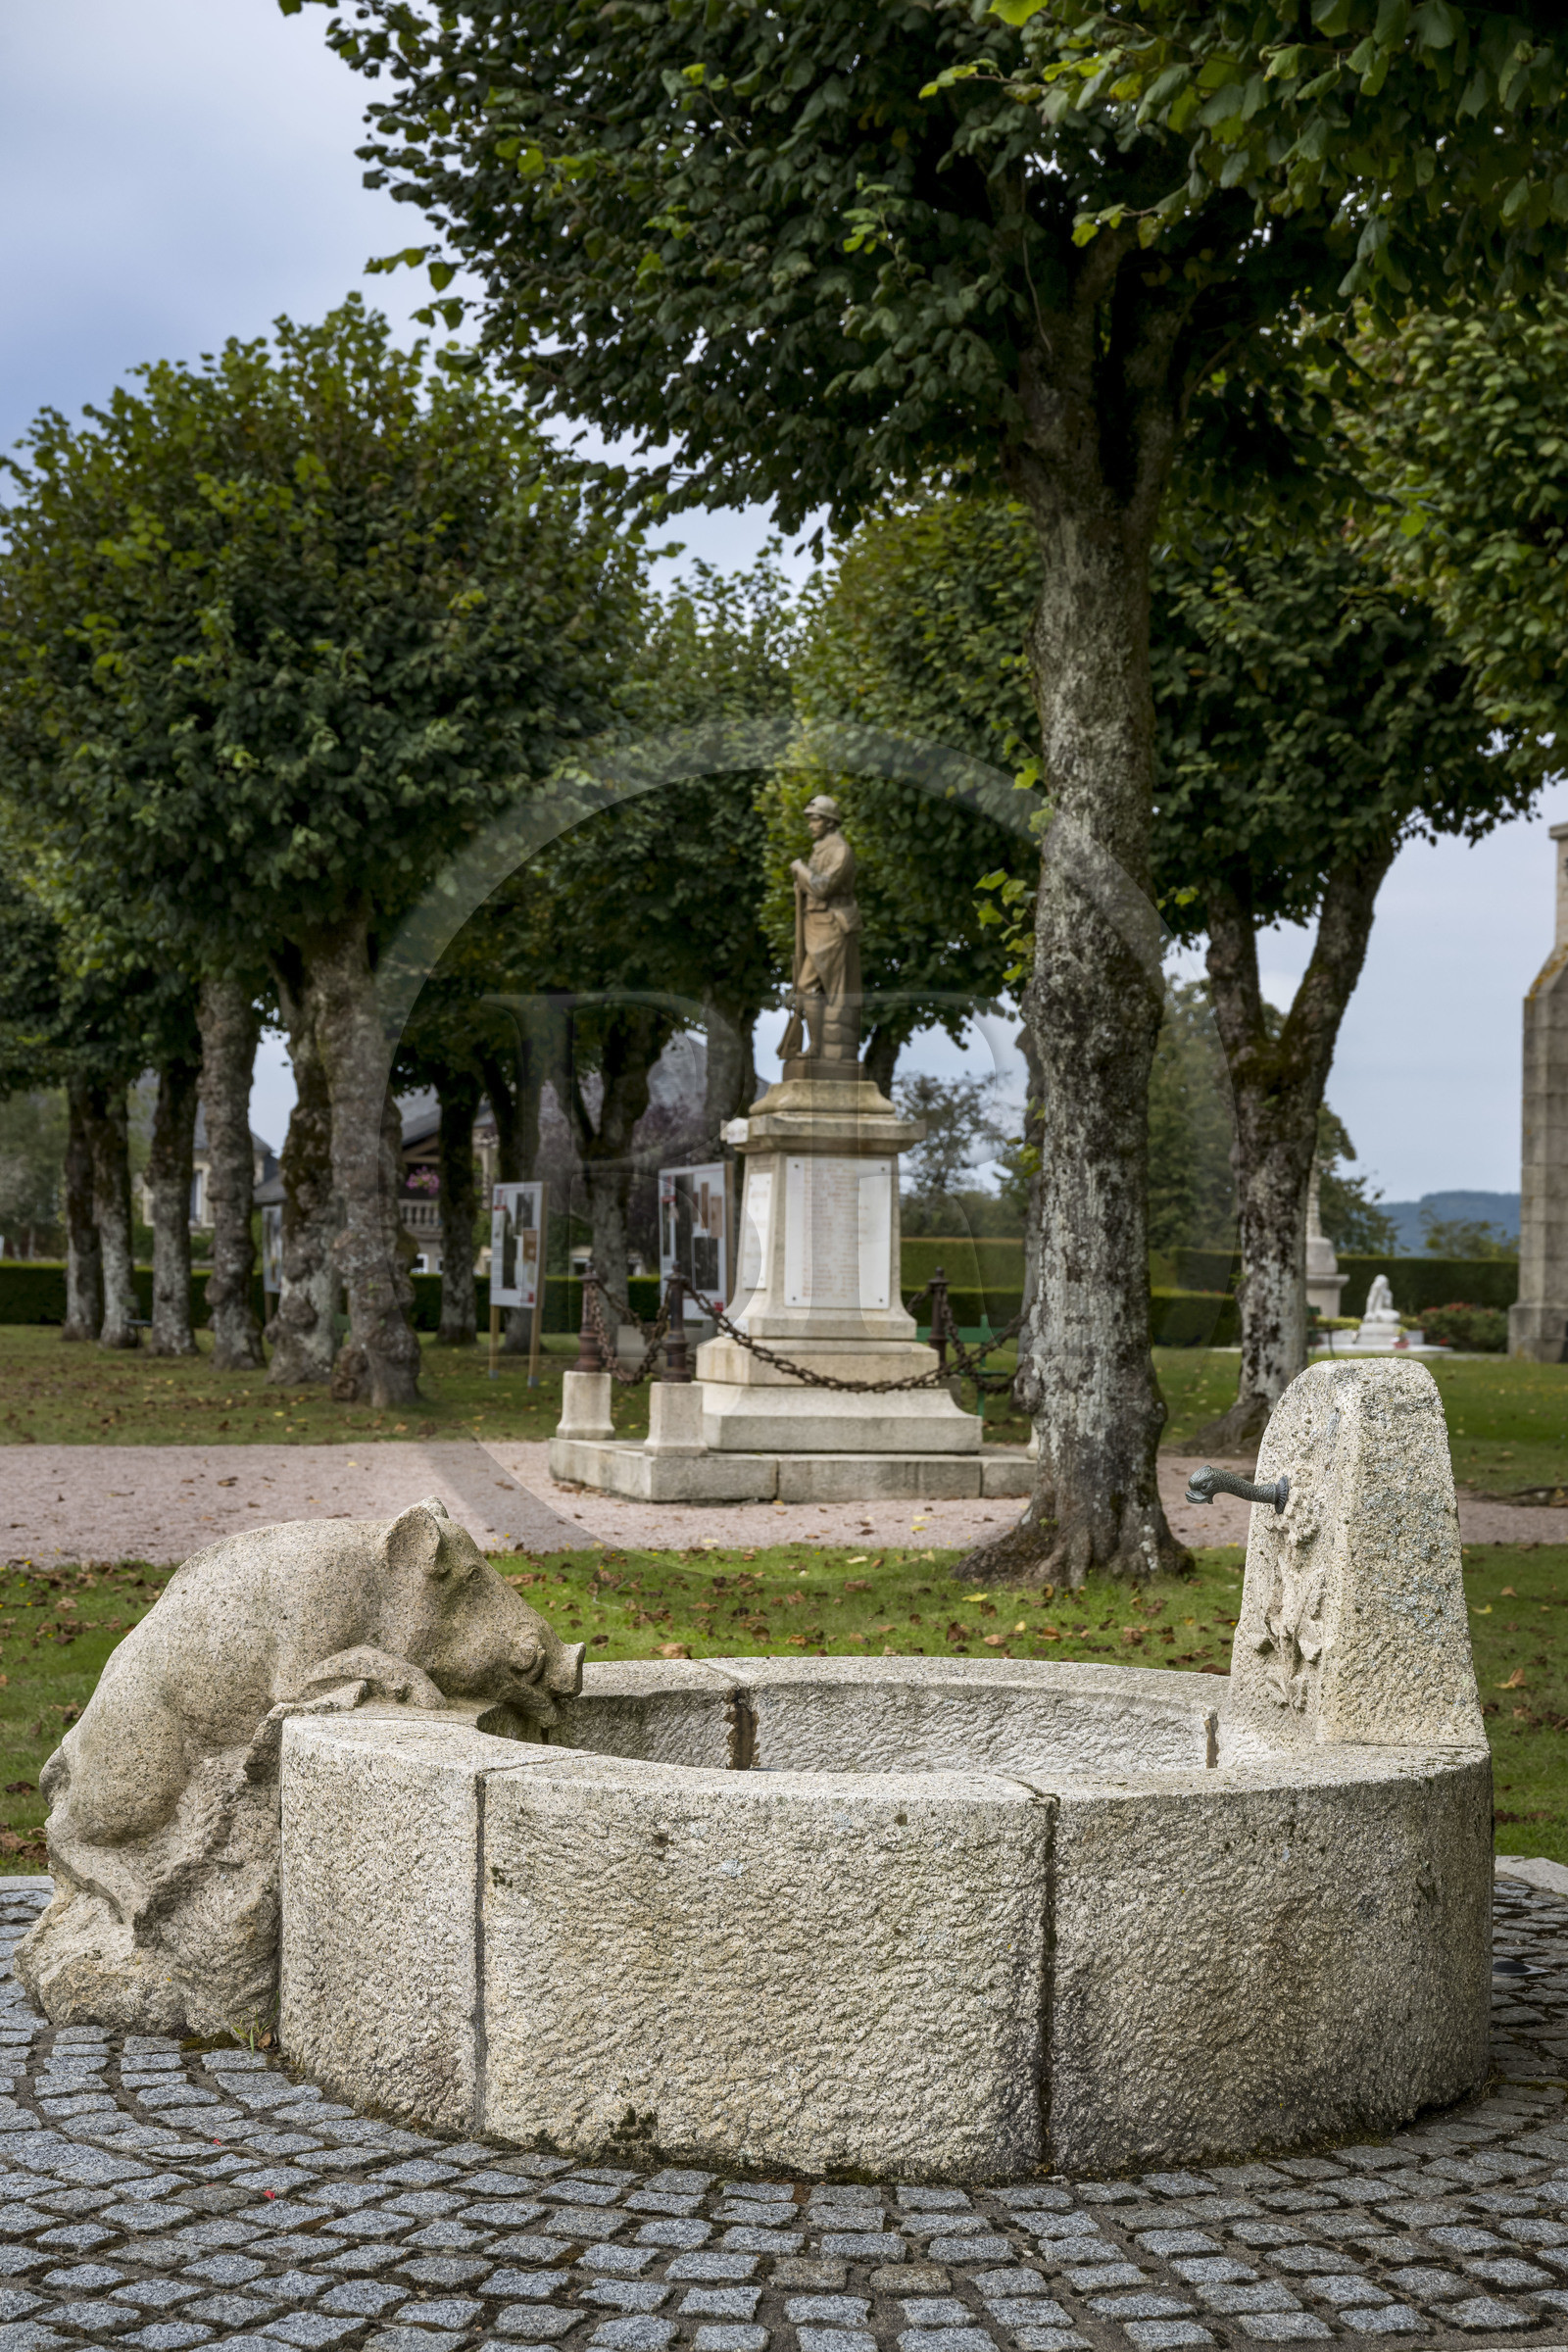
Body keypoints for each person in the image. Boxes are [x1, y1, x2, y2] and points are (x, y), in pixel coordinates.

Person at [784, 795, 862, 1063]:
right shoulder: (821, 848)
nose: (810, 824)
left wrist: (800, 870)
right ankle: (817, 1048)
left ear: (830, 822)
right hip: (815, 922)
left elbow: (821, 886)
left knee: (834, 992)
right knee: (805, 988)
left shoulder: (840, 849)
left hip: (831, 924)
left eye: (815, 818)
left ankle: (830, 1051)